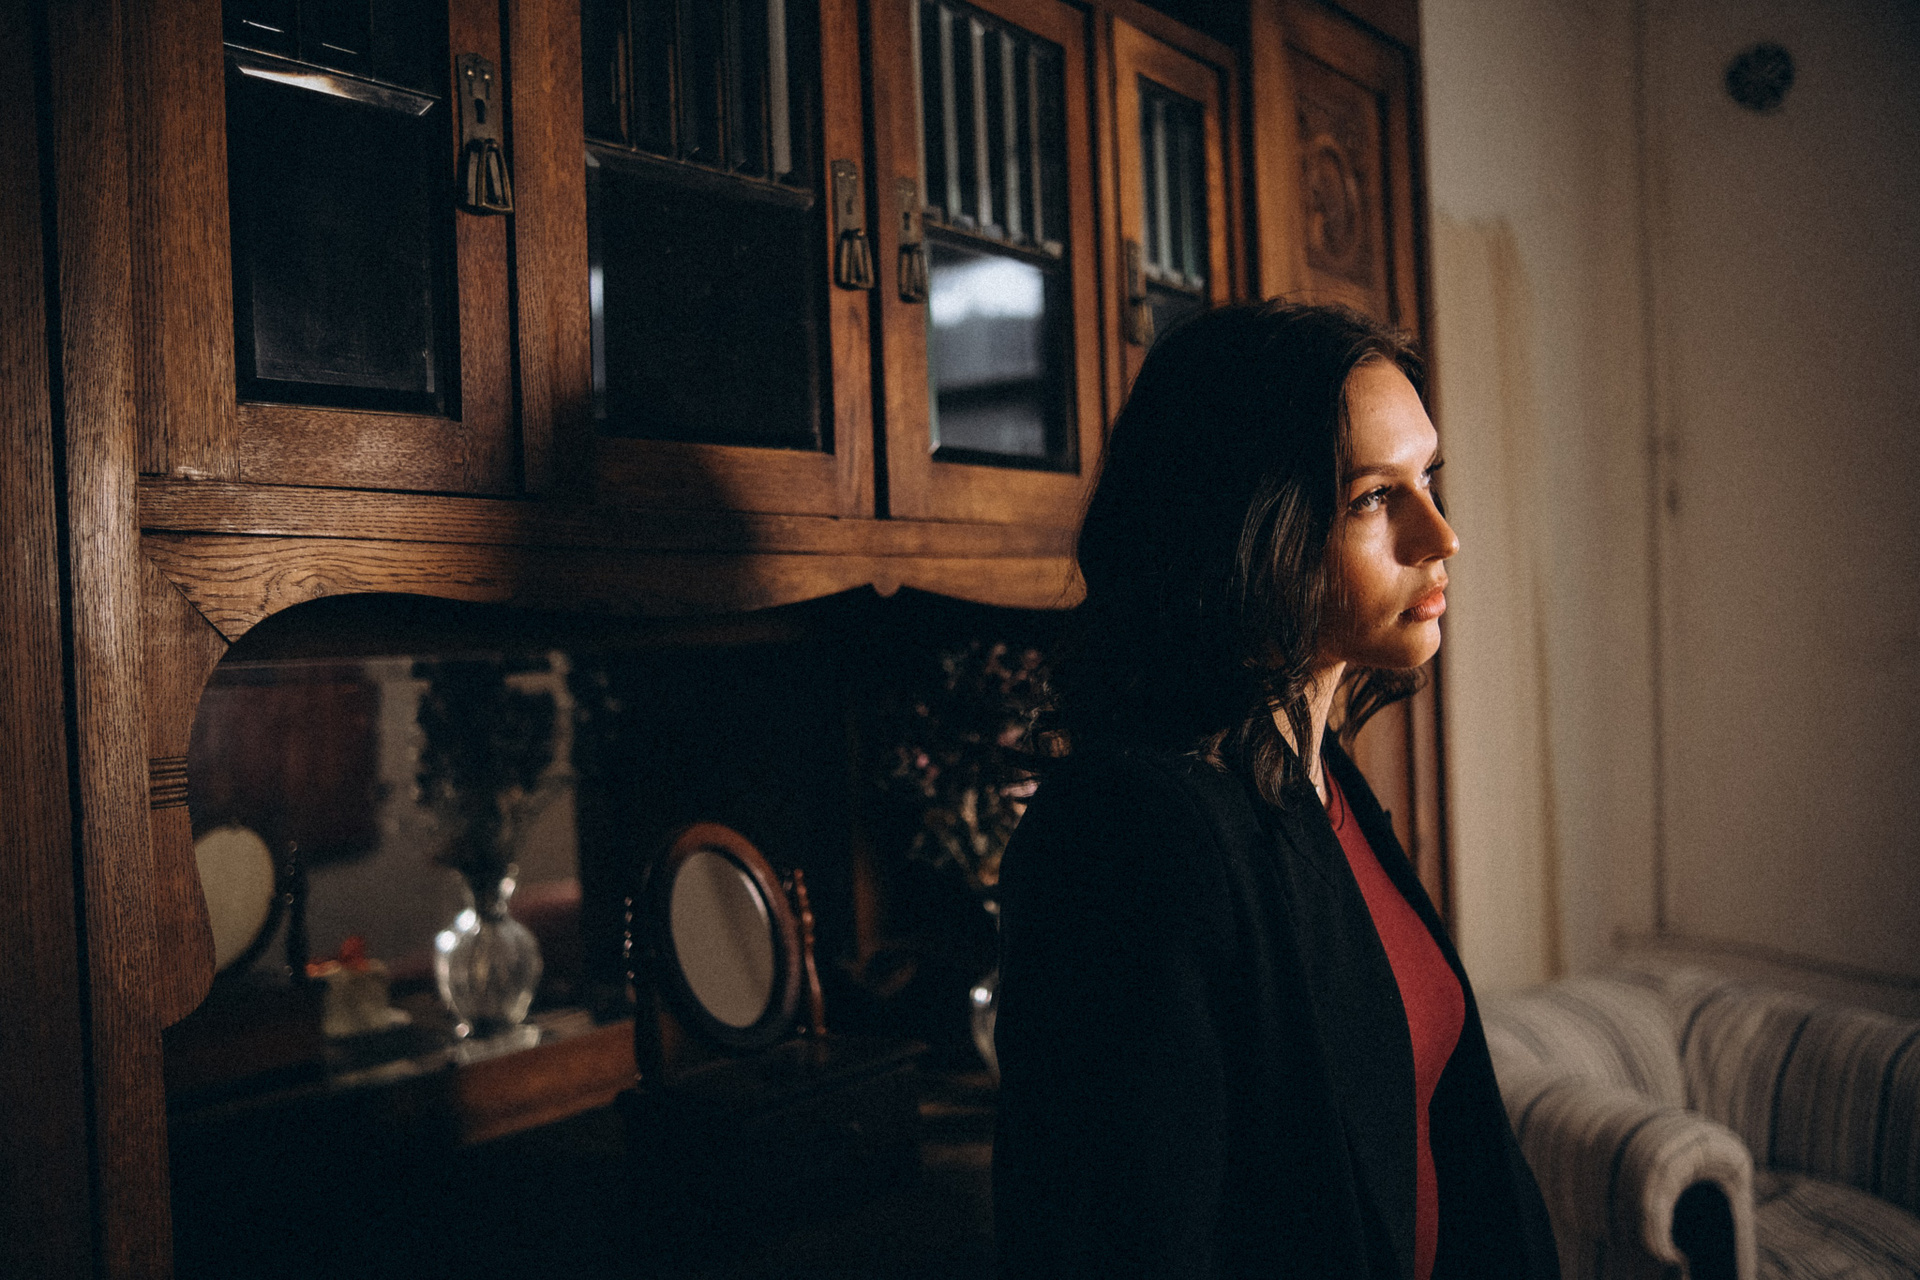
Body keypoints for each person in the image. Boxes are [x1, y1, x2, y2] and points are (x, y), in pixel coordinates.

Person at [992, 302, 1560, 1279]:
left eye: (1427, 479)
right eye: (1373, 497)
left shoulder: (1317, 778)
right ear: (1248, 524)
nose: (1440, 535)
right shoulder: (1129, 835)